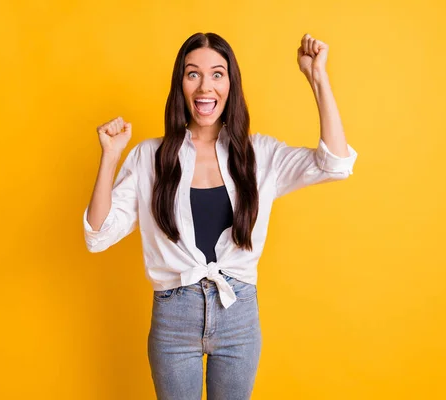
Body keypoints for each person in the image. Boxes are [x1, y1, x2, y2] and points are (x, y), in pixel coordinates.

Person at [83, 32, 358, 400]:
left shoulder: (260, 155)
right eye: (192, 73)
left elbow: (335, 164)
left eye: (217, 74)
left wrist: (317, 77)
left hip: (238, 316)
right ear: (180, 84)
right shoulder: (150, 157)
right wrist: (110, 157)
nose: (204, 86)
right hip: (173, 319)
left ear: (231, 83)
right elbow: (97, 234)